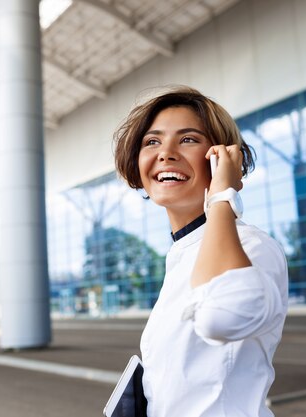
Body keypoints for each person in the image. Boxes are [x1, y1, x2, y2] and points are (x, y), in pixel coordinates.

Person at [113, 86, 288, 417]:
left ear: (220, 156)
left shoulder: (252, 245)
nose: (165, 152)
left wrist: (222, 196)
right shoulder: (181, 255)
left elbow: (221, 317)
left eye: (188, 139)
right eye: (152, 141)